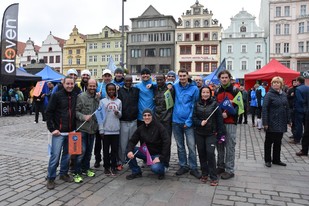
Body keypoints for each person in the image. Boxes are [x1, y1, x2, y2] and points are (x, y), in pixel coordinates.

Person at [45, 76, 77, 190]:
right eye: (67, 83)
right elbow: (48, 112)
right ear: (63, 84)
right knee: (55, 156)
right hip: (58, 132)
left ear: (74, 84)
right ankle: (51, 178)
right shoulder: (56, 95)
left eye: (71, 84)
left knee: (67, 156)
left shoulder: (75, 96)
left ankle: (63, 173)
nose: (69, 86)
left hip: (71, 132)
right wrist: (52, 129)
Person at [193, 86, 226, 186]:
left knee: (210, 154)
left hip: (211, 134)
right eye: (203, 92)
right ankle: (204, 173)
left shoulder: (215, 105)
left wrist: (221, 134)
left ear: (210, 93)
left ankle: (213, 176)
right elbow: (194, 118)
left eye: (207, 92)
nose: (205, 94)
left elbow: (220, 121)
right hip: (199, 133)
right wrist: (199, 122)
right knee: (202, 154)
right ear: (200, 93)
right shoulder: (197, 104)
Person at [126, 109, 171, 180]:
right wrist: (130, 151)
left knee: (155, 168)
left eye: (149, 115)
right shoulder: (141, 128)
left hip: (157, 155)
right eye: (145, 115)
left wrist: (161, 158)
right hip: (146, 153)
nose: (147, 117)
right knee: (129, 150)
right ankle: (136, 171)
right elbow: (132, 141)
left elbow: (167, 142)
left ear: (152, 116)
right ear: (142, 117)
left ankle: (163, 170)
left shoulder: (159, 127)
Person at [172, 68, 201, 179]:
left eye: (184, 75)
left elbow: (195, 106)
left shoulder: (194, 89)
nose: (182, 77)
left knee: (191, 146)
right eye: (181, 76)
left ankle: (193, 167)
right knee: (180, 146)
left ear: (188, 76)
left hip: (189, 123)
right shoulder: (175, 87)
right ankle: (183, 165)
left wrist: (189, 121)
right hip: (176, 121)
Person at [73, 79, 99, 183]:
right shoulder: (81, 97)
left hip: (92, 129)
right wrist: (83, 117)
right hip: (82, 129)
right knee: (81, 152)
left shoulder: (97, 98)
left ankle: (86, 168)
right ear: (87, 86)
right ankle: (77, 172)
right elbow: (75, 111)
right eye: (90, 86)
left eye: (94, 86)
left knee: (89, 152)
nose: (92, 88)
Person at [215, 70, 239, 180]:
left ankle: (229, 169)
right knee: (220, 144)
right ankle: (220, 166)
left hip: (230, 123)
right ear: (219, 79)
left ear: (229, 78)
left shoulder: (235, 90)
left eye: (226, 77)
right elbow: (214, 105)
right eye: (222, 78)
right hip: (219, 123)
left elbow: (240, 107)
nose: (224, 79)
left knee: (230, 146)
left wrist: (228, 113)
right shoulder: (217, 91)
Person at [262, 76, 290, 167]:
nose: (276, 84)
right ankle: (267, 160)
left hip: (281, 121)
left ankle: (276, 159)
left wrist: (289, 120)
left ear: (281, 84)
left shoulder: (284, 95)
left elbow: (287, 108)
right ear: (272, 84)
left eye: (278, 83)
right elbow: (265, 109)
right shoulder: (269, 95)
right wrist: (265, 122)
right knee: (269, 142)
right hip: (271, 121)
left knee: (278, 142)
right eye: (274, 83)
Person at [98, 83, 122, 176]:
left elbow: (121, 115)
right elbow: (100, 117)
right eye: (109, 90)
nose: (111, 91)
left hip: (115, 129)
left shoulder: (119, 101)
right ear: (106, 91)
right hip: (106, 130)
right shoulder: (102, 101)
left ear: (115, 91)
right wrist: (101, 130)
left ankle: (113, 166)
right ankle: (106, 167)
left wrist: (118, 113)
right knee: (105, 150)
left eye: (113, 90)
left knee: (114, 150)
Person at [117, 75, 139, 170]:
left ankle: (131, 162)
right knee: (122, 144)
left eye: (130, 81)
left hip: (134, 121)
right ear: (124, 81)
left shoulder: (136, 90)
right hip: (123, 121)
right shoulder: (120, 91)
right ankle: (120, 162)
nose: (128, 82)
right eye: (126, 81)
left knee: (132, 144)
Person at [154, 73, 174, 167]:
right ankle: (158, 161)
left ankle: (166, 163)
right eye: (157, 80)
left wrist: (168, 118)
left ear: (165, 79)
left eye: (160, 80)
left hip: (166, 119)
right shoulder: (155, 89)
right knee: (158, 141)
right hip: (157, 119)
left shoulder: (170, 89)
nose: (159, 82)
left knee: (166, 142)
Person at [94, 68, 113, 168]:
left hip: (110, 116)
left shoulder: (114, 86)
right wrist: (97, 97)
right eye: (105, 76)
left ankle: (108, 157)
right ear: (102, 77)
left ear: (111, 77)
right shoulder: (99, 87)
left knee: (108, 139)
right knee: (98, 140)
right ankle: (97, 158)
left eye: (108, 76)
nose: (107, 78)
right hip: (100, 116)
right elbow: (94, 100)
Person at [290, 76, 307, 144]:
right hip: (306, 110)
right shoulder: (307, 88)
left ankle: (297, 139)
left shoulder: (298, 89)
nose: (295, 83)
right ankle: (306, 138)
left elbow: (299, 100)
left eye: (296, 81)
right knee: (306, 125)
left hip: (299, 110)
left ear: (298, 82)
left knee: (298, 125)